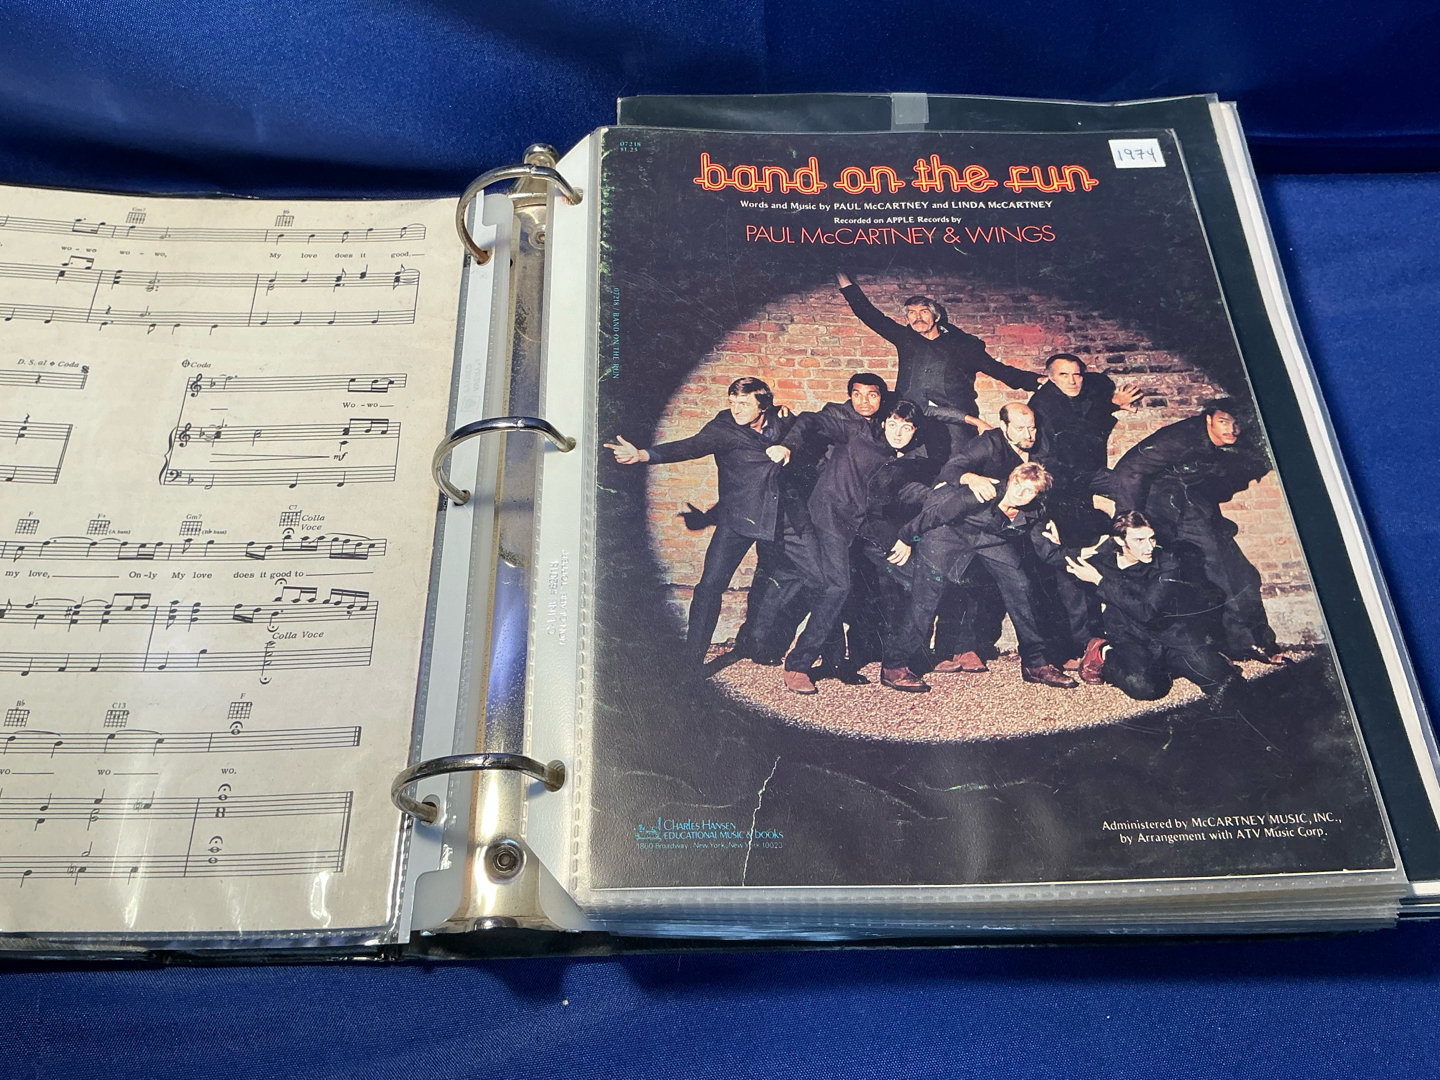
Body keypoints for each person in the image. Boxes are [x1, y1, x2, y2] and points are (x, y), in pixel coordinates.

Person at [605, 376, 802, 668]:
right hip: (737, 519)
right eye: (732, 402)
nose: (736, 409)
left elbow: (801, 429)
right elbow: (689, 447)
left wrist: (788, 437)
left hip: (774, 517)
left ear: (763, 406)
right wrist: (643, 455)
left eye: (743, 403)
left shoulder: (780, 419)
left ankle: (755, 643)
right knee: (709, 587)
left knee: (773, 581)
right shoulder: (723, 429)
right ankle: (691, 661)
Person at [776, 398, 927, 694]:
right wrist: (787, 446)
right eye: (893, 424)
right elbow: (810, 419)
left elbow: (907, 496)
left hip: (869, 525)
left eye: (906, 428)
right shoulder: (858, 432)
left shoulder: (910, 459)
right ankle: (798, 665)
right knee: (838, 587)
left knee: (914, 577)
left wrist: (907, 537)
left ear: (915, 431)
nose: (898, 433)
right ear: (884, 422)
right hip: (833, 517)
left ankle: (894, 665)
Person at [1110, 399, 1280, 660]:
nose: (1231, 429)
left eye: (1236, 424)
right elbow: (1128, 471)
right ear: (1208, 419)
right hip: (1155, 509)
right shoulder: (1180, 438)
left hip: (1190, 504)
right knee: (1163, 575)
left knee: (1234, 572)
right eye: (1223, 422)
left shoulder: (1235, 444)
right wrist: (1129, 523)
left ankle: (1244, 643)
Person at [887, 461, 1078, 691]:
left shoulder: (1035, 511)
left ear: (1037, 495)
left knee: (1020, 585)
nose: (1020, 493)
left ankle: (1035, 663)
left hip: (988, 538)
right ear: (1010, 480)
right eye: (1018, 485)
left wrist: (1077, 555)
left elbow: (1045, 549)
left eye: (1030, 491)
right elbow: (936, 513)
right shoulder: (983, 493)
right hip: (947, 533)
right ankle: (894, 666)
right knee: (926, 599)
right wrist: (905, 538)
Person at [834, 272, 1040, 460]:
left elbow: (998, 370)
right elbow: (869, 315)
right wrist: (843, 279)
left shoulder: (963, 346)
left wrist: (1035, 381)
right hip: (912, 416)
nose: (917, 317)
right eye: (911, 313)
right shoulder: (906, 339)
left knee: (956, 467)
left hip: (955, 422)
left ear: (936, 317)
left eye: (923, 312)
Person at [1063, 511, 1239, 701]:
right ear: (1120, 540)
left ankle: (1184, 664)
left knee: (1223, 679)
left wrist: (1100, 582)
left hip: (1169, 635)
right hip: (1130, 638)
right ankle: (1104, 653)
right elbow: (1063, 566)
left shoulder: (1166, 562)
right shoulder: (1101, 564)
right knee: (1146, 688)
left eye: (1151, 538)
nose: (1149, 547)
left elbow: (1147, 611)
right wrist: (1059, 544)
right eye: (1139, 540)